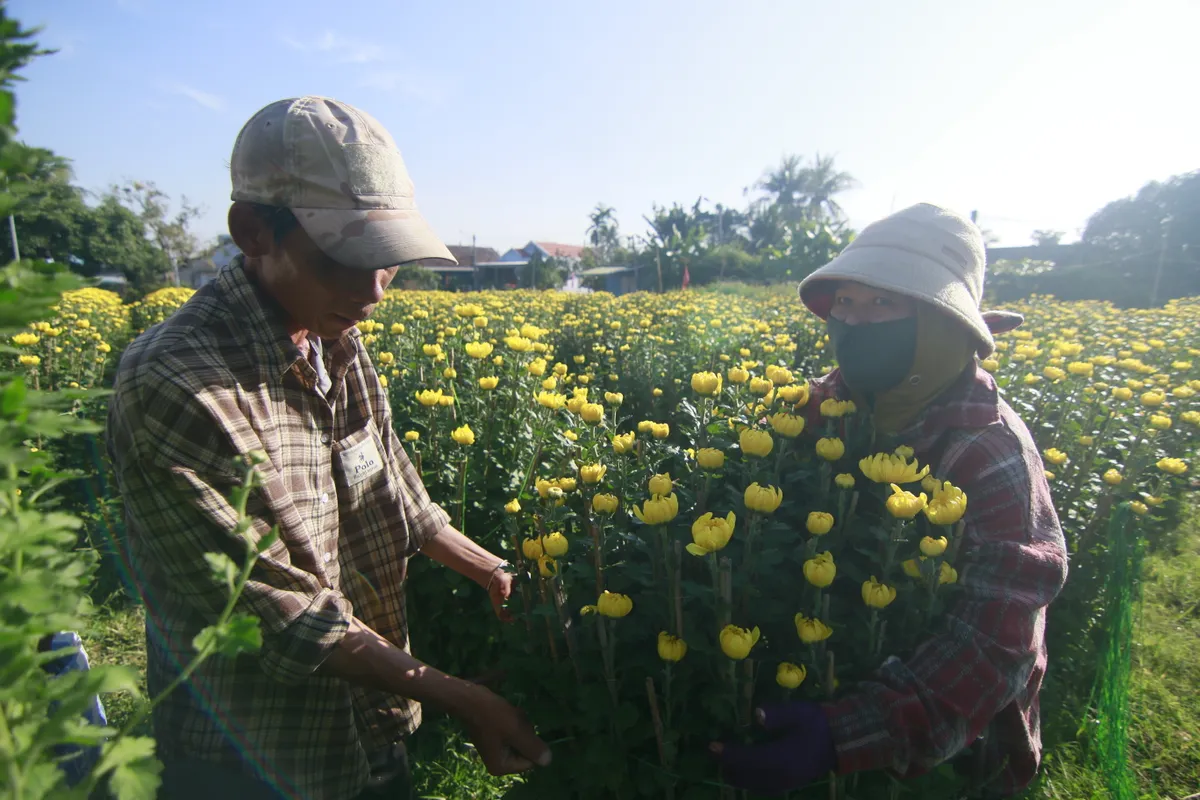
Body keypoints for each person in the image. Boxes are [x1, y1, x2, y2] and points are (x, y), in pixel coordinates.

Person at [106, 96, 550, 800]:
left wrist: (489, 567)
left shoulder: (334, 335)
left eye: (389, 261)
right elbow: (289, 620)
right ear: (253, 231)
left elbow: (396, 494)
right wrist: (464, 698)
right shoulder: (178, 385)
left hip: (371, 725)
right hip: (253, 753)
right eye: (346, 258)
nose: (373, 290)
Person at [711, 203, 1069, 798]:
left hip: (950, 750)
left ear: (940, 323)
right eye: (845, 303)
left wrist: (843, 735)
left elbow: (996, 638)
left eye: (883, 303)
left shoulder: (990, 448)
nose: (853, 322)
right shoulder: (823, 404)